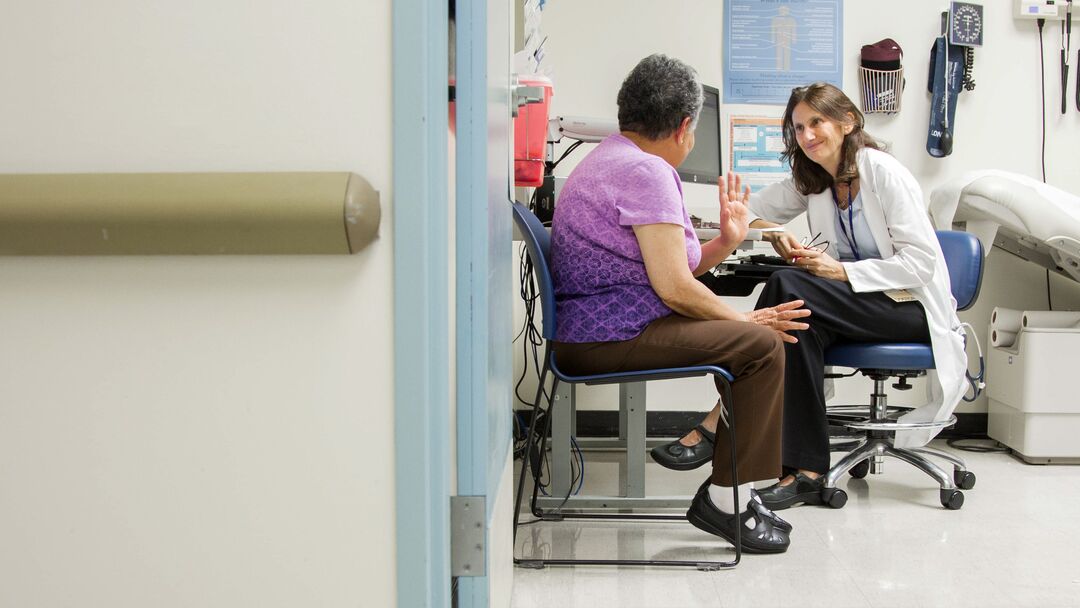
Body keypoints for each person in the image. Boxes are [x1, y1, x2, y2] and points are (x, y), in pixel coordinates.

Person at [655, 82, 968, 511]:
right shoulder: (815, 179)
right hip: (863, 304)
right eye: (799, 127)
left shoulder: (881, 171)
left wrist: (840, 270)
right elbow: (751, 211)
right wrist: (776, 229)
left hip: (910, 307)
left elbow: (922, 264)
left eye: (816, 122)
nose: (807, 136)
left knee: (788, 286)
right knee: (798, 323)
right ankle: (806, 471)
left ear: (848, 122)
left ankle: (720, 418)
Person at [549, 54, 810, 554]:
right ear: (685, 126)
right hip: (609, 337)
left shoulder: (612, 156)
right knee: (759, 345)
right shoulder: (646, 172)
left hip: (598, 331)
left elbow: (668, 271)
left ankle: (729, 476)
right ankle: (727, 498)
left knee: (752, 339)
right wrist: (742, 317)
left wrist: (726, 242)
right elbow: (672, 288)